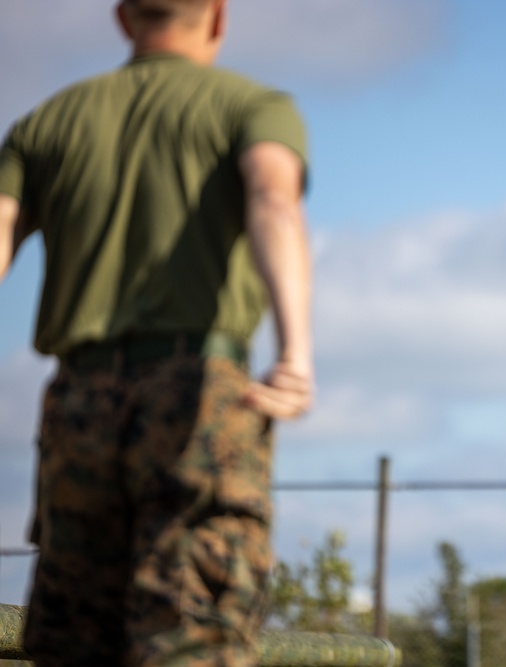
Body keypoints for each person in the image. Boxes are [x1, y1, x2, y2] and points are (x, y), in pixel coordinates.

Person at [0, 0, 313, 664]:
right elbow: (272, 199)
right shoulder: (253, 107)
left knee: (75, 638)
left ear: (124, 19)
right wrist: (296, 353)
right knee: (193, 634)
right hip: (198, 396)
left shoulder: (47, 122)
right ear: (218, 18)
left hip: (79, 403)